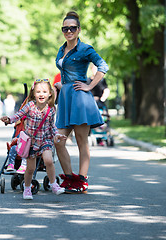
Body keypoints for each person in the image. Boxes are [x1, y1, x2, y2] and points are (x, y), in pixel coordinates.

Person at [54, 11, 109, 194]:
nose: (68, 31)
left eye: (72, 28)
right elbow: (65, 73)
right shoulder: (62, 49)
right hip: (65, 97)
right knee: (58, 141)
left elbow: (103, 67)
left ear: (78, 30)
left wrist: (90, 86)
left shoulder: (85, 49)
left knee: (81, 141)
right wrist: (60, 85)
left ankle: (82, 182)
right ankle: (70, 179)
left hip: (80, 98)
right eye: (65, 28)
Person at [1, 79, 67, 200]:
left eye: (44, 91)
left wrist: (56, 135)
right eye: (38, 92)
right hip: (31, 142)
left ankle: (54, 184)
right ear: (34, 93)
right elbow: (18, 115)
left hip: (45, 140)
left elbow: (52, 126)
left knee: (48, 161)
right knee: (30, 169)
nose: (41, 94)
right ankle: (27, 188)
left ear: (50, 94)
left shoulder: (51, 109)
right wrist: (9, 120)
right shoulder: (30, 106)